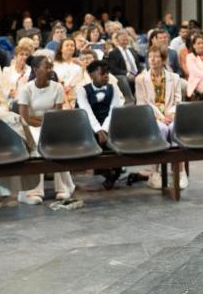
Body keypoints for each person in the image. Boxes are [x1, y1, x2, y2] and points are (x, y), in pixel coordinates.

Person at [18, 55, 74, 203]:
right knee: (36, 142)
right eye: (46, 67)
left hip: (52, 126)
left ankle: (63, 188)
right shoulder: (26, 89)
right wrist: (43, 121)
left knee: (57, 142)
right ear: (36, 70)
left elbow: (56, 115)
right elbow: (24, 118)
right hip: (30, 127)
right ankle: (32, 191)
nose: (50, 70)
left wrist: (44, 121)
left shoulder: (58, 87)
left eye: (51, 67)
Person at [136, 47, 185, 188]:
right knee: (162, 129)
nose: (152, 59)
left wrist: (170, 114)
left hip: (171, 115)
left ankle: (180, 172)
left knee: (175, 127)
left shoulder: (174, 78)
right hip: (151, 117)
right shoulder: (141, 79)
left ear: (163, 60)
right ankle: (154, 173)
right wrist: (159, 117)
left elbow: (178, 101)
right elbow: (142, 104)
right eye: (150, 56)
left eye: (156, 56)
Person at [76, 60, 125, 189]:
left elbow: (114, 110)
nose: (106, 75)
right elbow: (86, 112)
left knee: (117, 138)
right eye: (102, 73)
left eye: (107, 72)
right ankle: (105, 171)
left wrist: (104, 129)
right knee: (94, 140)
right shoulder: (82, 90)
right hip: (88, 125)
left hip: (108, 123)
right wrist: (98, 130)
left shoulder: (113, 88)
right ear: (91, 75)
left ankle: (115, 171)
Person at [53, 38, 84, 109]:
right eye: (67, 45)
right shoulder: (54, 64)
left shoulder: (78, 65)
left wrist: (82, 66)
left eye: (72, 45)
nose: (70, 47)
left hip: (77, 97)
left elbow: (83, 80)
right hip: (60, 97)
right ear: (61, 49)